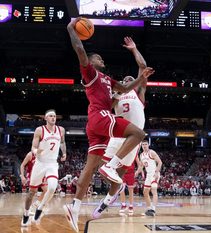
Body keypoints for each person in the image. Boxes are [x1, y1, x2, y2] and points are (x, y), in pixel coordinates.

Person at [64, 18, 154, 232]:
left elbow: (124, 87)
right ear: (92, 61)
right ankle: (110, 165)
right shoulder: (90, 73)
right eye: (99, 58)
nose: (102, 59)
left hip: (99, 124)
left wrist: (141, 77)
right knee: (139, 134)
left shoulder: (109, 80)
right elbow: (80, 50)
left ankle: (74, 207)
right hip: (103, 117)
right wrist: (70, 28)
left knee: (90, 167)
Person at [92, 36, 147, 218]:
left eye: (133, 78)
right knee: (101, 166)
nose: (129, 79)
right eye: (126, 79)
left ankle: (105, 202)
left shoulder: (139, 92)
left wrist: (134, 49)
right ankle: (110, 190)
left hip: (134, 138)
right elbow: (104, 108)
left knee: (120, 174)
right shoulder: (116, 96)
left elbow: (142, 66)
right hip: (119, 132)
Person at [21, 109, 67, 227]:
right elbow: (33, 146)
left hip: (52, 163)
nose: (53, 118)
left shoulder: (61, 130)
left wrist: (64, 153)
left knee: (52, 188)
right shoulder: (40, 130)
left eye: (55, 116)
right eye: (51, 116)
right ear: (45, 118)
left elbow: (62, 142)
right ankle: (26, 214)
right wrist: (36, 151)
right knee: (32, 192)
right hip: (40, 163)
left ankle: (40, 208)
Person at [135, 140, 163, 216]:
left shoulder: (152, 152)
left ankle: (153, 209)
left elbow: (160, 162)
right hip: (148, 175)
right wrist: (137, 172)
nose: (144, 146)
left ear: (148, 145)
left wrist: (157, 172)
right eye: (143, 144)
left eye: (146, 144)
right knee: (145, 192)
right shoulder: (141, 155)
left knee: (153, 190)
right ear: (141, 146)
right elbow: (141, 166)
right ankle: (149, 208)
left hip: (154, 174)